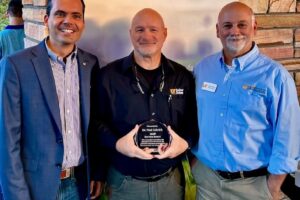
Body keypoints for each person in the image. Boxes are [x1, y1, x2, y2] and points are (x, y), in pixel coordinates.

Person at [192, 2, 300, 200]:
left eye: (242, 25)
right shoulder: (202, 69)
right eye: (227, 25)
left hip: (253, 186)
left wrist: (273, 186)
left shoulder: (275, 77)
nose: (235, 31)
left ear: (254, 28)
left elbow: (288, 135)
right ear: (217, 31)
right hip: (207, 182)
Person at [90, 8, 198, 200]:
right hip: (124, 184)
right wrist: (117, 144)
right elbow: (96, 123)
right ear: (130, 34)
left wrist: (185, 143)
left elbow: (193, 122)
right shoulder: (108, 77)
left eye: (153, 29)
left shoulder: (183, 77)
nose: (146, 35)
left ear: (164, 33)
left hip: (171, 183)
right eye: (139, 30)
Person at [0, 0, 101, 199]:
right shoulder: (16, 66)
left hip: (78, 185)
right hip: (35, 188)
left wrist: (96, 171)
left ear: (82, 23)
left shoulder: (90, 64)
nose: (68, 21)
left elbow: (93, 125)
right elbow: (6, 141)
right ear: (46, 19)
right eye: (60, 14)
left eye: (76, 16)